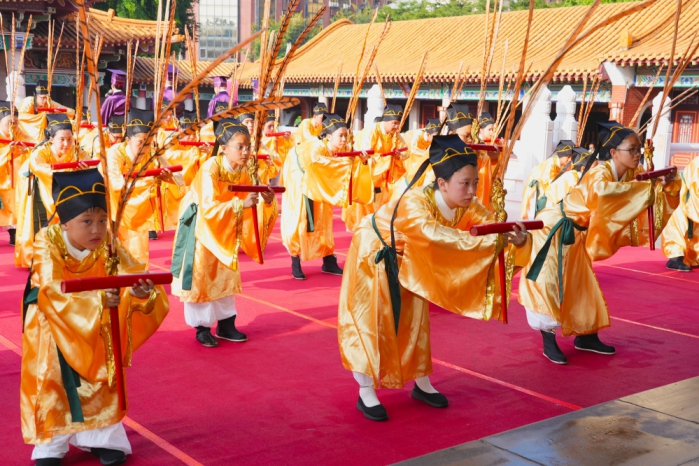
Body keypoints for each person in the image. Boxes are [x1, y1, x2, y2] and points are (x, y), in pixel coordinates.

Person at [338, 135, 530, 421]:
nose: (472, 191)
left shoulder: (466, 204)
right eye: (465, 183)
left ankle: (421, 379)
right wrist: (491, 242)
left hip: (412, 258)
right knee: (371, 319)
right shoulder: (415, 202)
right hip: (374, 253)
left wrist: (514, 237)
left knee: (416, 319)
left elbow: (489, 223)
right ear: (442, 183)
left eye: (475, 182)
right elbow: (433, 236)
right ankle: (366, 389)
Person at [20, 168, 169, 466]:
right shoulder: (47, 241)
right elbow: (51, 288)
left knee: (102, 379)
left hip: (98, 320)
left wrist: (138, 292)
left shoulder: (108, 242)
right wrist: (98, 301)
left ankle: (102, 438)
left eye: (102, 220)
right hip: (53, 321)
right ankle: (50, 445)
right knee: (53, 383)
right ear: (65, 223)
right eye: (86, 221)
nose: (96, 230)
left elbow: (130, 271)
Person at [519, 122, 676, 365]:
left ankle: (586, 335)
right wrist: (647, 190)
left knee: (582, 283)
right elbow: (605, 195)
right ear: (613, 152)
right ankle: (548, 338)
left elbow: (640, 189)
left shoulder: (630, 172)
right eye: (631, 150)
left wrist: (664, 184)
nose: (637, 154)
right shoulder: (599, 174)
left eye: (638, 150)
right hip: (554, 228)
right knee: (548, 281)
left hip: (578, 232)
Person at [170, 118, 278, 348]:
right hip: (201, 225)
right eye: (240, 147)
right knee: (201, 275)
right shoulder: (211, 167)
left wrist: (267, 201)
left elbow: (253, 199)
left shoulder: (245, 168)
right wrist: (240, 205)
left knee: (226, 271)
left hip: (226, 224)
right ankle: (202, 327)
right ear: (225, 148)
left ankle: (226, 323)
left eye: (248, 147)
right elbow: (208, 207)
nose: (246, 152)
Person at [281, 114, 370, 279]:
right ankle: (295, 258)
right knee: (300, 218)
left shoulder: (343, 148)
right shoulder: (317, 147)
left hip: (320, 180)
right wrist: (346, 162)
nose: (344, 140)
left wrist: (362, 161)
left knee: (325, 216)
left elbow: (351, 165)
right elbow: (319, 164)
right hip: (299, 176)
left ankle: (328, 259)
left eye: (345, 136)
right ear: (329, 136)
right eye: (340, 136)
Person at [15, 114, 91, 268]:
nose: (66, 144)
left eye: (69, 139)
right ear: (51, 139)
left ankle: (66, 255)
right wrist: (67, 171)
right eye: (61, 139)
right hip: (41, 187)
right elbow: (38, 166)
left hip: (66, 191)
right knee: (40, 222)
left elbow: (90, 162)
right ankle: (37, 256)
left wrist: (86, 167)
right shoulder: (41, 151)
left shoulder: (76, 151)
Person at [106, 108, 179, 264]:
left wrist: (168, 178)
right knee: (112, 252)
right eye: (140, 143)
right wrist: (149, 180)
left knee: (138, 253)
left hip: (137, 210)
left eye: (148, 142)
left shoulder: (151, 153)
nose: (145, 147)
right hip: (111, 206)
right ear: (128, 140)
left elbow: (178, 177)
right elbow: (116, 183)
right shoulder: (114, 153)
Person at [342, 104, 408, 232]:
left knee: (381, 207)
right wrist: (387, 158)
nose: (396, 127)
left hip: (382, 178)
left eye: (398, 124)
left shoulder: (395, 135)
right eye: (394, 123)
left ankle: (376, 229)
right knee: (363, 209)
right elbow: (365, 153)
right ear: (386, 120)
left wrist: (399, 155)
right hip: (366, 174)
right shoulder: (371, 131)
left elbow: (405, 151)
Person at [445, 102, 492, 209]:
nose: (470, 140)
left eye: (471, 136)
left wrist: (493, 160)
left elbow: (484, 183)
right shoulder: (439, 156)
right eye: (466, 136)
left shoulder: (477, 156)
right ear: (452, 135)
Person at [0, 101, 32, 245]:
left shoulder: (19, 133)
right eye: (9, 123)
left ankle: (14, 232)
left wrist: (26, 150)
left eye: (15, 123)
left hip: (16, 177)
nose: (13, 127)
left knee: (16, 204)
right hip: (2, 177)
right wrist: (8, 151)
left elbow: (32, 144)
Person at [521, 140, 575, 220]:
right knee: (535, 211)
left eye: (571, 157)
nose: (570, 159)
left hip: (549, 188)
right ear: (561, 155)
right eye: (568, 157)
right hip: (539, 186)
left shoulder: (566, 165)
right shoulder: (550, 164)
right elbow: (548, 182)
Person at [663, 155, 699, 271]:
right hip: (685, 203)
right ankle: (675, 257)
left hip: (694, 210)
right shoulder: (697, 164)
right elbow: (696, 194)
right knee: (679, 223)